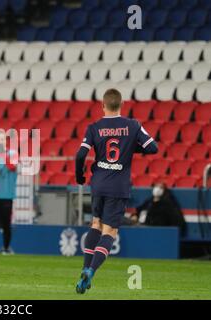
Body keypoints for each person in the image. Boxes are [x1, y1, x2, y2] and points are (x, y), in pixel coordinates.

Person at [75, 88, 158, 294]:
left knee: (95, 224)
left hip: (98, 184)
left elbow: (80, 155)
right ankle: (91, 271)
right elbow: (152, 147)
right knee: (110, 231)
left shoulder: (94, 127)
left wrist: (80, 177)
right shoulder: (132, 125)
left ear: (102, 105)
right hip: (118, 186)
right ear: (121, 105)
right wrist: (131, 147)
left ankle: (85, 268)